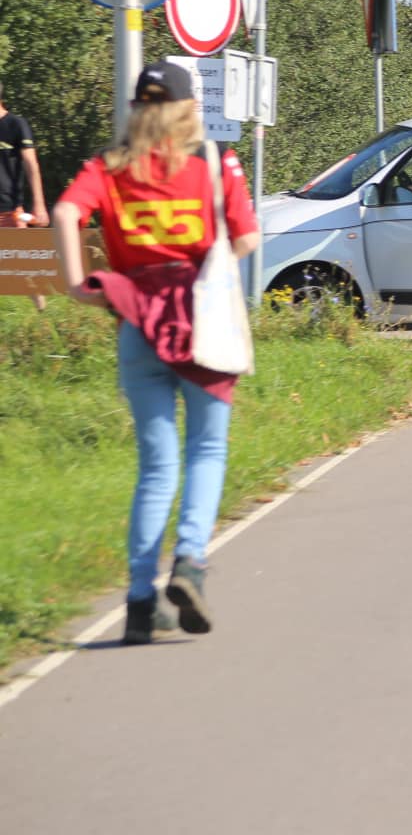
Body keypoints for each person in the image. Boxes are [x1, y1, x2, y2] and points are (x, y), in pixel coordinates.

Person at [52, 62, 260, 645]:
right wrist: (210, 263)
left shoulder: (108, 165)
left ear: (137, 109)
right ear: (190, 108)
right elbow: (247, 237)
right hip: (201, 319)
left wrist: (76, 284)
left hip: (137, 319)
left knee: (156, 465)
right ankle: (189, 563)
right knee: (208, 448)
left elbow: (66, 212)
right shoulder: (214, 162)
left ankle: (141, 603)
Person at [0, 78, 48, 228]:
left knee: (18, 244)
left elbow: (31, 165)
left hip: (9, 212)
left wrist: (39, 205)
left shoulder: (16, 124)